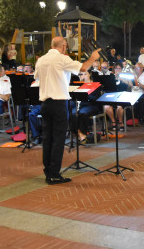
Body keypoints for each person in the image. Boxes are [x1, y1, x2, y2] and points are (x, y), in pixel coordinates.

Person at [34, 36, 99, 185]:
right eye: (66, 47)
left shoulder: (41, 60)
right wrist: (92, 57)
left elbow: (37, 77)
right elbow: (83, 68)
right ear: (63, 46)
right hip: (58, 103)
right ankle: (55, 174)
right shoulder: (61, 59)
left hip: (45, 103)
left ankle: (48, 171)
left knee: (47, 138)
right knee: (58, 139)